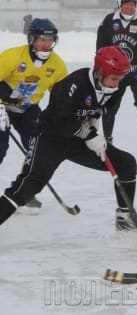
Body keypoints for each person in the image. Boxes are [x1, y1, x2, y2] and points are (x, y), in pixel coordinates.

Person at [0, 45, 137, 232]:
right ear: (99, 72)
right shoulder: (74, 84)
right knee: (26, 188)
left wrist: (93, 123)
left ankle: (125, 218)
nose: (117, 84)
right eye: (114, 78)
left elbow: (100, 109)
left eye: (120, 79)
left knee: (126, 163)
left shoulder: (115, 86)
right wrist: (90, 135)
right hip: (49, 139)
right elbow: (62, 120)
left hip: (77, 141)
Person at [0, 18, 67, 213]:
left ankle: (24, 190)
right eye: (42, 39)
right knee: (0, 148)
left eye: (50, 40)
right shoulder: (13, 57)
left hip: (28, 109)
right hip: (2, 106)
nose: (46, 44)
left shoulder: (57, 65)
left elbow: (62, 95)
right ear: (32, 39)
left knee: (37, 147)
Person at [96, 0, 137, 154]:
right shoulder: (108, 21)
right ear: (120, 4)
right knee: (109, 106)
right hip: (116, 74)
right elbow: (101, 47)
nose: (129, 7)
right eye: (126, 4)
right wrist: (104, 67)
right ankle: (107, 139)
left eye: (132, 4)